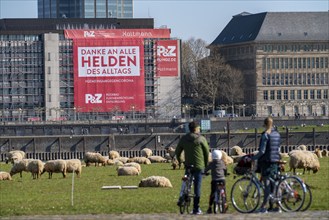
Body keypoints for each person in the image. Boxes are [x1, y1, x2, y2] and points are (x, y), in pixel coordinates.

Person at [175, 121, 210, 215]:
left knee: (186, 180)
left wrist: (180, 161)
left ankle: (182, 196)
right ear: (197, 128)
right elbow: (206, 152)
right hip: (199, 166)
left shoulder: (184, 138)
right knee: (197, 188)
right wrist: (206, 164)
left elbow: (177, 151)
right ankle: (196, 208)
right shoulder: (201, 139)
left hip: (188, 165)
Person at [250, 117, 281, 213]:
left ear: (265, 124)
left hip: (267, 162)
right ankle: (277, 206)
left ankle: (263, 207)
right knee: (274, 184)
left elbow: (262, 151)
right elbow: (278, 149)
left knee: (267, 185)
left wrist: (253, 158)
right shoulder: (277, 134)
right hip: (276, 161)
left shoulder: (265, 135)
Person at [204, 150, 228, 214]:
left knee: (212, 193)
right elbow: (225, 169)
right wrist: (225, 173)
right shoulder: (222, 162)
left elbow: (206, 169)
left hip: (215, 180)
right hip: (222, 179)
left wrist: (205, 172)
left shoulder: (211, 163)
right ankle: (225, 204)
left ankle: (210, 207)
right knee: (224, 192)